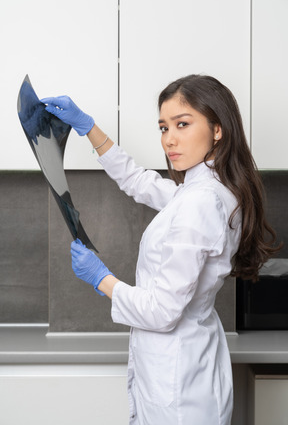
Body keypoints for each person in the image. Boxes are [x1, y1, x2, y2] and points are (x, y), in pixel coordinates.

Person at [42, 74, 279, 425]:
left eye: (182, 124)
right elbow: (138, 181)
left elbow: (161, 311)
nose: (170, 139)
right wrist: (88, 127)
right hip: (188, 363)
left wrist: (101, 279)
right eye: (164, 128)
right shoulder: (207, 190)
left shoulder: (201, 202)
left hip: (178, 382)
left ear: (218, 129)